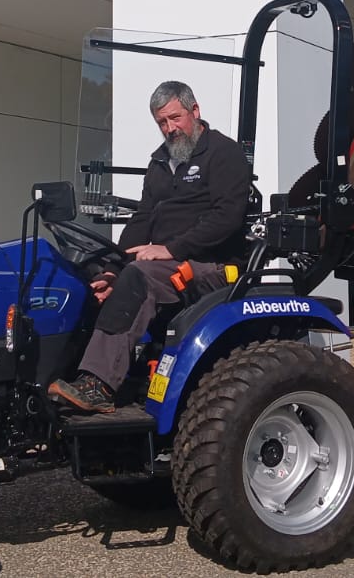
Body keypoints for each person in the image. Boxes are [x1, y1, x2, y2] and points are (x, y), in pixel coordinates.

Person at [48, 80, 253, 413]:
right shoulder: (160, 162)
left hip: (211, 267)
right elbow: (142, 220)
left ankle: (98, 383)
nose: (170, 128)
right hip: (163, 263)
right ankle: (66, 373)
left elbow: (226, 218)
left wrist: (170, 249)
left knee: (141, 275)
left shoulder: (223, 153)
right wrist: (112, 269)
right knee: (91, 277)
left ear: (195, 111)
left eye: (175, 118)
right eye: (162, 122)